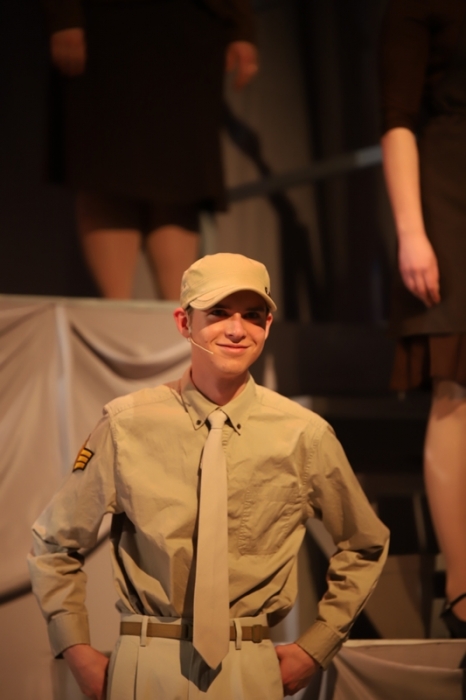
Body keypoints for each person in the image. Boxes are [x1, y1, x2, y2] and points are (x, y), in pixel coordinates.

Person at [28, 253, 389, 699]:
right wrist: (76, 650)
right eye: (218, 313)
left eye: (252, 315)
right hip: (148, 663)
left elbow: (365, 543)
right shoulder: (127, 425)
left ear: (268, 326)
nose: (237, 330)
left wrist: (318, 645)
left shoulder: (304, 435)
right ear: (184, 323)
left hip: (251, 667)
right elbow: (54, 543)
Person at [42, 0, 258, 299]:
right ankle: (117, 312)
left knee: (181, 180)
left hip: (190, 23)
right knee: (109, 168)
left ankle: (177, 316)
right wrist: (64, 14)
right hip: (109, 23)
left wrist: (241, 27)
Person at [380, 0, 466, 637]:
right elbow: (398, 118)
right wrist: (412, 233)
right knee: (456, 387)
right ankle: (463, 590)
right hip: (451, 192)